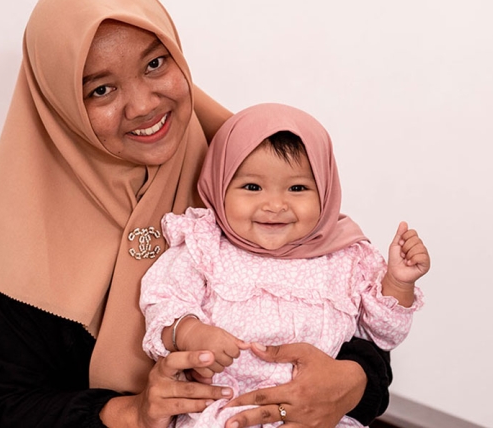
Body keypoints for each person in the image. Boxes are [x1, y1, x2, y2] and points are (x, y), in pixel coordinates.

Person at [0, 0, 393, 428]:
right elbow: (6, 410)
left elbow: (351, 313)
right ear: (62, 105)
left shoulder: (245, 173)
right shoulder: (33, 227)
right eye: (101, 89)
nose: (144, 105)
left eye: (155, 64)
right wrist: (133, 413)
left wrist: (355, 380)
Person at [141, 103, 430, 427]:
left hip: (317, 414)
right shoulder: (205, 246)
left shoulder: (346, 257)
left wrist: (399, 283)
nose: (275, 205)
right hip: (224, 412)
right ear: (219, 186)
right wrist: (191, 332)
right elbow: (163, 300)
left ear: (326, 191)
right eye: (252, 187)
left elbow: (381, 335)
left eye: (297, 188)